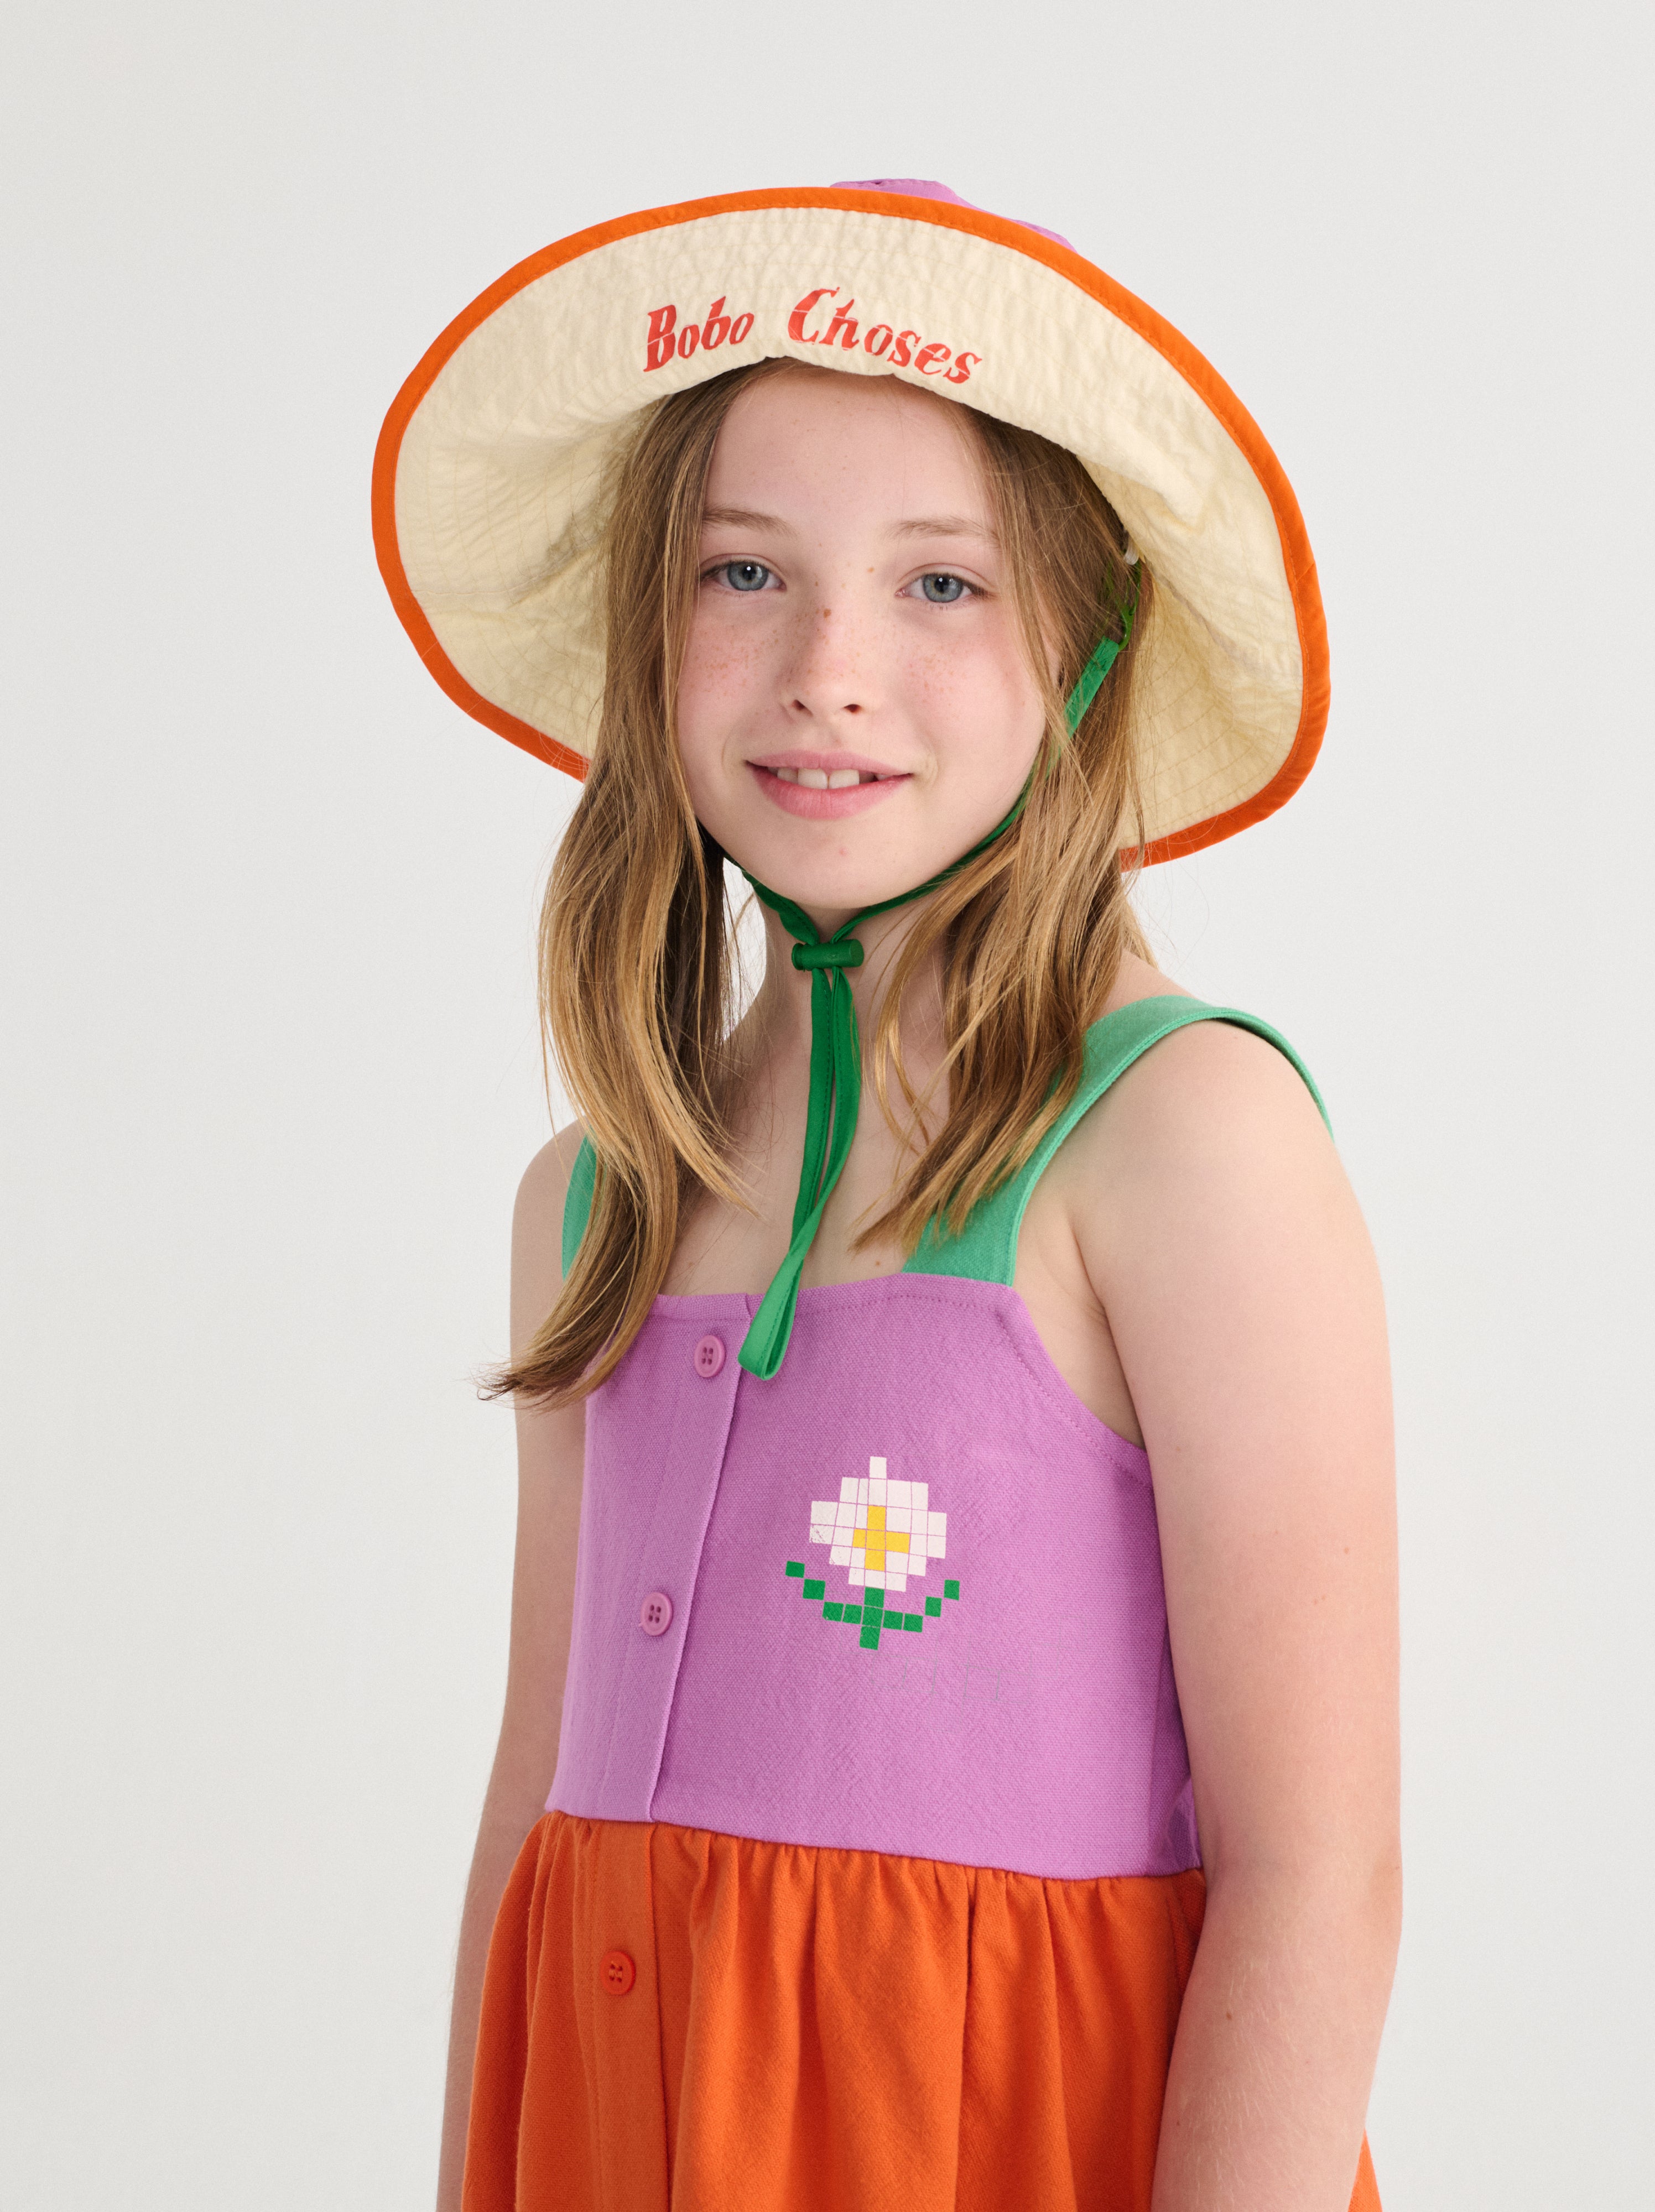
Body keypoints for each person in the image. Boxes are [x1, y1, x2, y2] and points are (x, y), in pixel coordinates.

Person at [374, 179, 1399, 2212]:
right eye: (743, 571)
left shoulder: (1181, 1138)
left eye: (942, 585)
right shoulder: (595, 1197)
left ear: (1086, 651)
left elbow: (1320, 1871)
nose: (828, 669)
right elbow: (532, 1801)